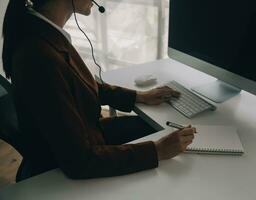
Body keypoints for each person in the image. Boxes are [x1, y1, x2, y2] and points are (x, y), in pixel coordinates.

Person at [2, 0, 196, 179]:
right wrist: (157, 151)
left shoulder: (44, 33)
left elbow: (76, 85)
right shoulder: (38, 55)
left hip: (86, 136)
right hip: (68, 165)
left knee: (150, 127)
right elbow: (80, 161)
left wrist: (139, 96)